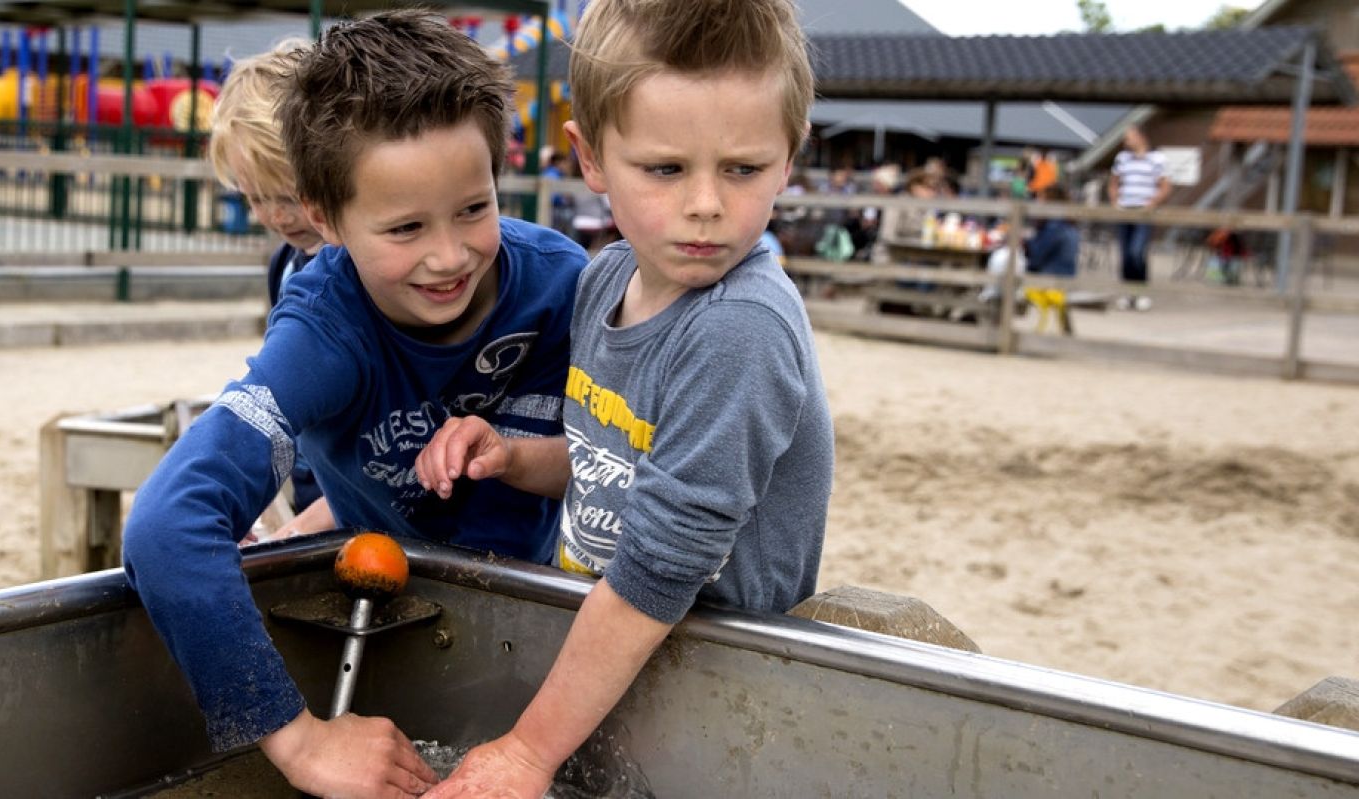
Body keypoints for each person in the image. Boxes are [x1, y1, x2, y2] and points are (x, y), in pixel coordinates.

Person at [121, 12, 588, 798]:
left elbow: (620, 464)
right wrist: (299, 741)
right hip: (380, 620)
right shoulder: (323, 332)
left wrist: (518, 456)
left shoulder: (561, 288)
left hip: (536, 618)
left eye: (473, 209)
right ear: (325, 220)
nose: (449, 255)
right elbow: (168, 522)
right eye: (405, 227)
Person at [413, 1, 833, 796]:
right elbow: (611, 460)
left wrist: (526, 753)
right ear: (592, 157)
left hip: (717, 683)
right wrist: (515, 457)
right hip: (611, 663)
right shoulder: (604, 279)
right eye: (665, 169)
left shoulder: (737, 329)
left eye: (742, 169)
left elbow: (659, 568)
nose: (706, 203)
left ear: (788, 158)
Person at [207, 38, 332, 540]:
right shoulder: (287, 266)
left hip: (362, 503)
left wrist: (300, 530)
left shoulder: (379, 277)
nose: (274, 216)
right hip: (308, 486)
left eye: (288, 197)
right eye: (255, 198)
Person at [1108, 125, 1170, 311]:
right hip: (1125, 210)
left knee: (1137, 252)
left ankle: (1141, 291)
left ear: (1141, 137)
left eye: (1130, 137)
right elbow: (1113, 183)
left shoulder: (1157, 158)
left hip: (1143, 212)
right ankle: (1128, 292)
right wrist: (1115, 202)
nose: (1127, 142)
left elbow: (1165, 185)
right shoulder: (1122, 159)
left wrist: (1152, 203)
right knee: (1125, 253)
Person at [1026, 184, 1080, 277]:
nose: (1037, 202)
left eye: (1040, 198)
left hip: (1049, 284)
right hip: (1064, 280)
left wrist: (1026, 245)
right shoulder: (1067, 224)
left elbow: (1035, 259)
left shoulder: (1054, 227)